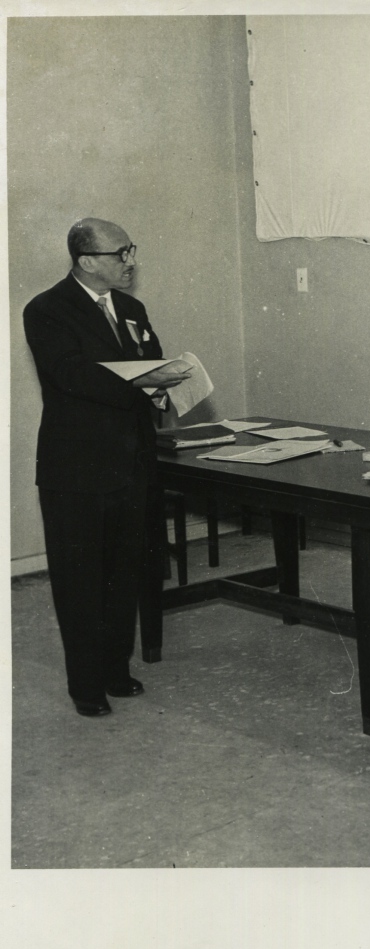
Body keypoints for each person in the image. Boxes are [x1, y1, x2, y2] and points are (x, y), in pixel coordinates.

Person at [23, 217, 191, 717]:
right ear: (87, 261)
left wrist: (163, 386)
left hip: (132, 462)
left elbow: (150, 364)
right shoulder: (47, 309)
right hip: (76, 469)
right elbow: (71, 375)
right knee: (79, 580)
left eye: (130, 250)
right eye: (120, 253)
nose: (130, 261)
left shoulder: (132, 309)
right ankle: (86, 685)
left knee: (124, 573)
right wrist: (141, 383)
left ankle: (116, 669)